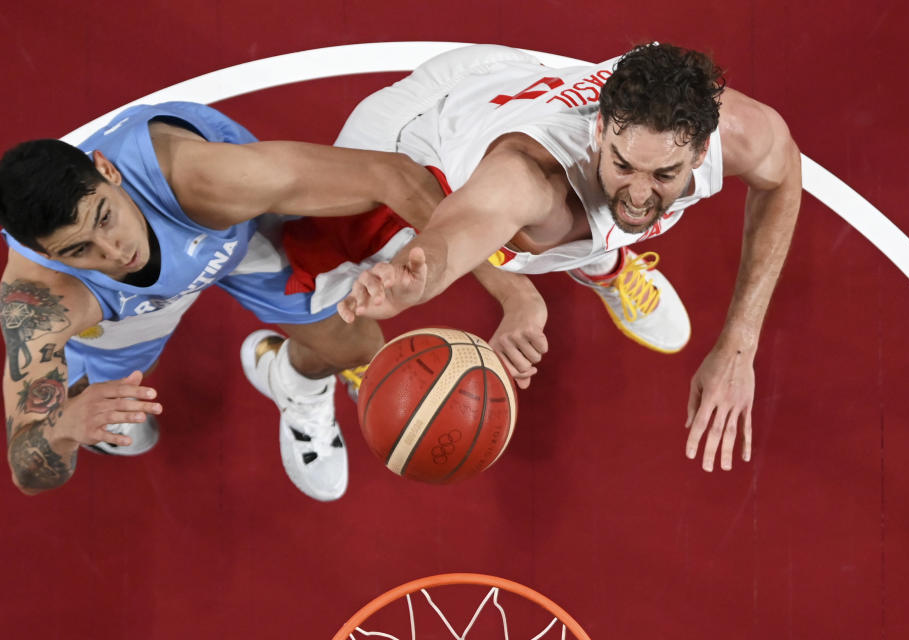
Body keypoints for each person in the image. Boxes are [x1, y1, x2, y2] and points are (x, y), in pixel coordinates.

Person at [0, 101, 546, 501]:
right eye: (78, 249)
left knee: (361, 346)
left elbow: (392, 176)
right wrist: (66, 428)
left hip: (227, 238)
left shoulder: (204, 179)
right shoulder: (42, 301)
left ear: (109, 171)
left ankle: (294, 381)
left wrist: (513, 292)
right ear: (40, 252)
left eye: (105, 218)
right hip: (118, 308)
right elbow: (27, 462)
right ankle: (101, 409)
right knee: (108, 419)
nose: (114, 250)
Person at [333, 43, 802, 473]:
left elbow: (782, 176)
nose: (640, 194)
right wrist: (422, 276)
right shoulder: (528, 178)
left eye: (664, 174)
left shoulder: (738, 131)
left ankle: (602, 263)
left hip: (501, 79)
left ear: (701, 150)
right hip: (405, 137)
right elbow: (465, 224)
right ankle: (304, 371)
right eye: (623, 165)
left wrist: (740, 346)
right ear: (599, 129)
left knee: (594, 217)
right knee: (319, 289)